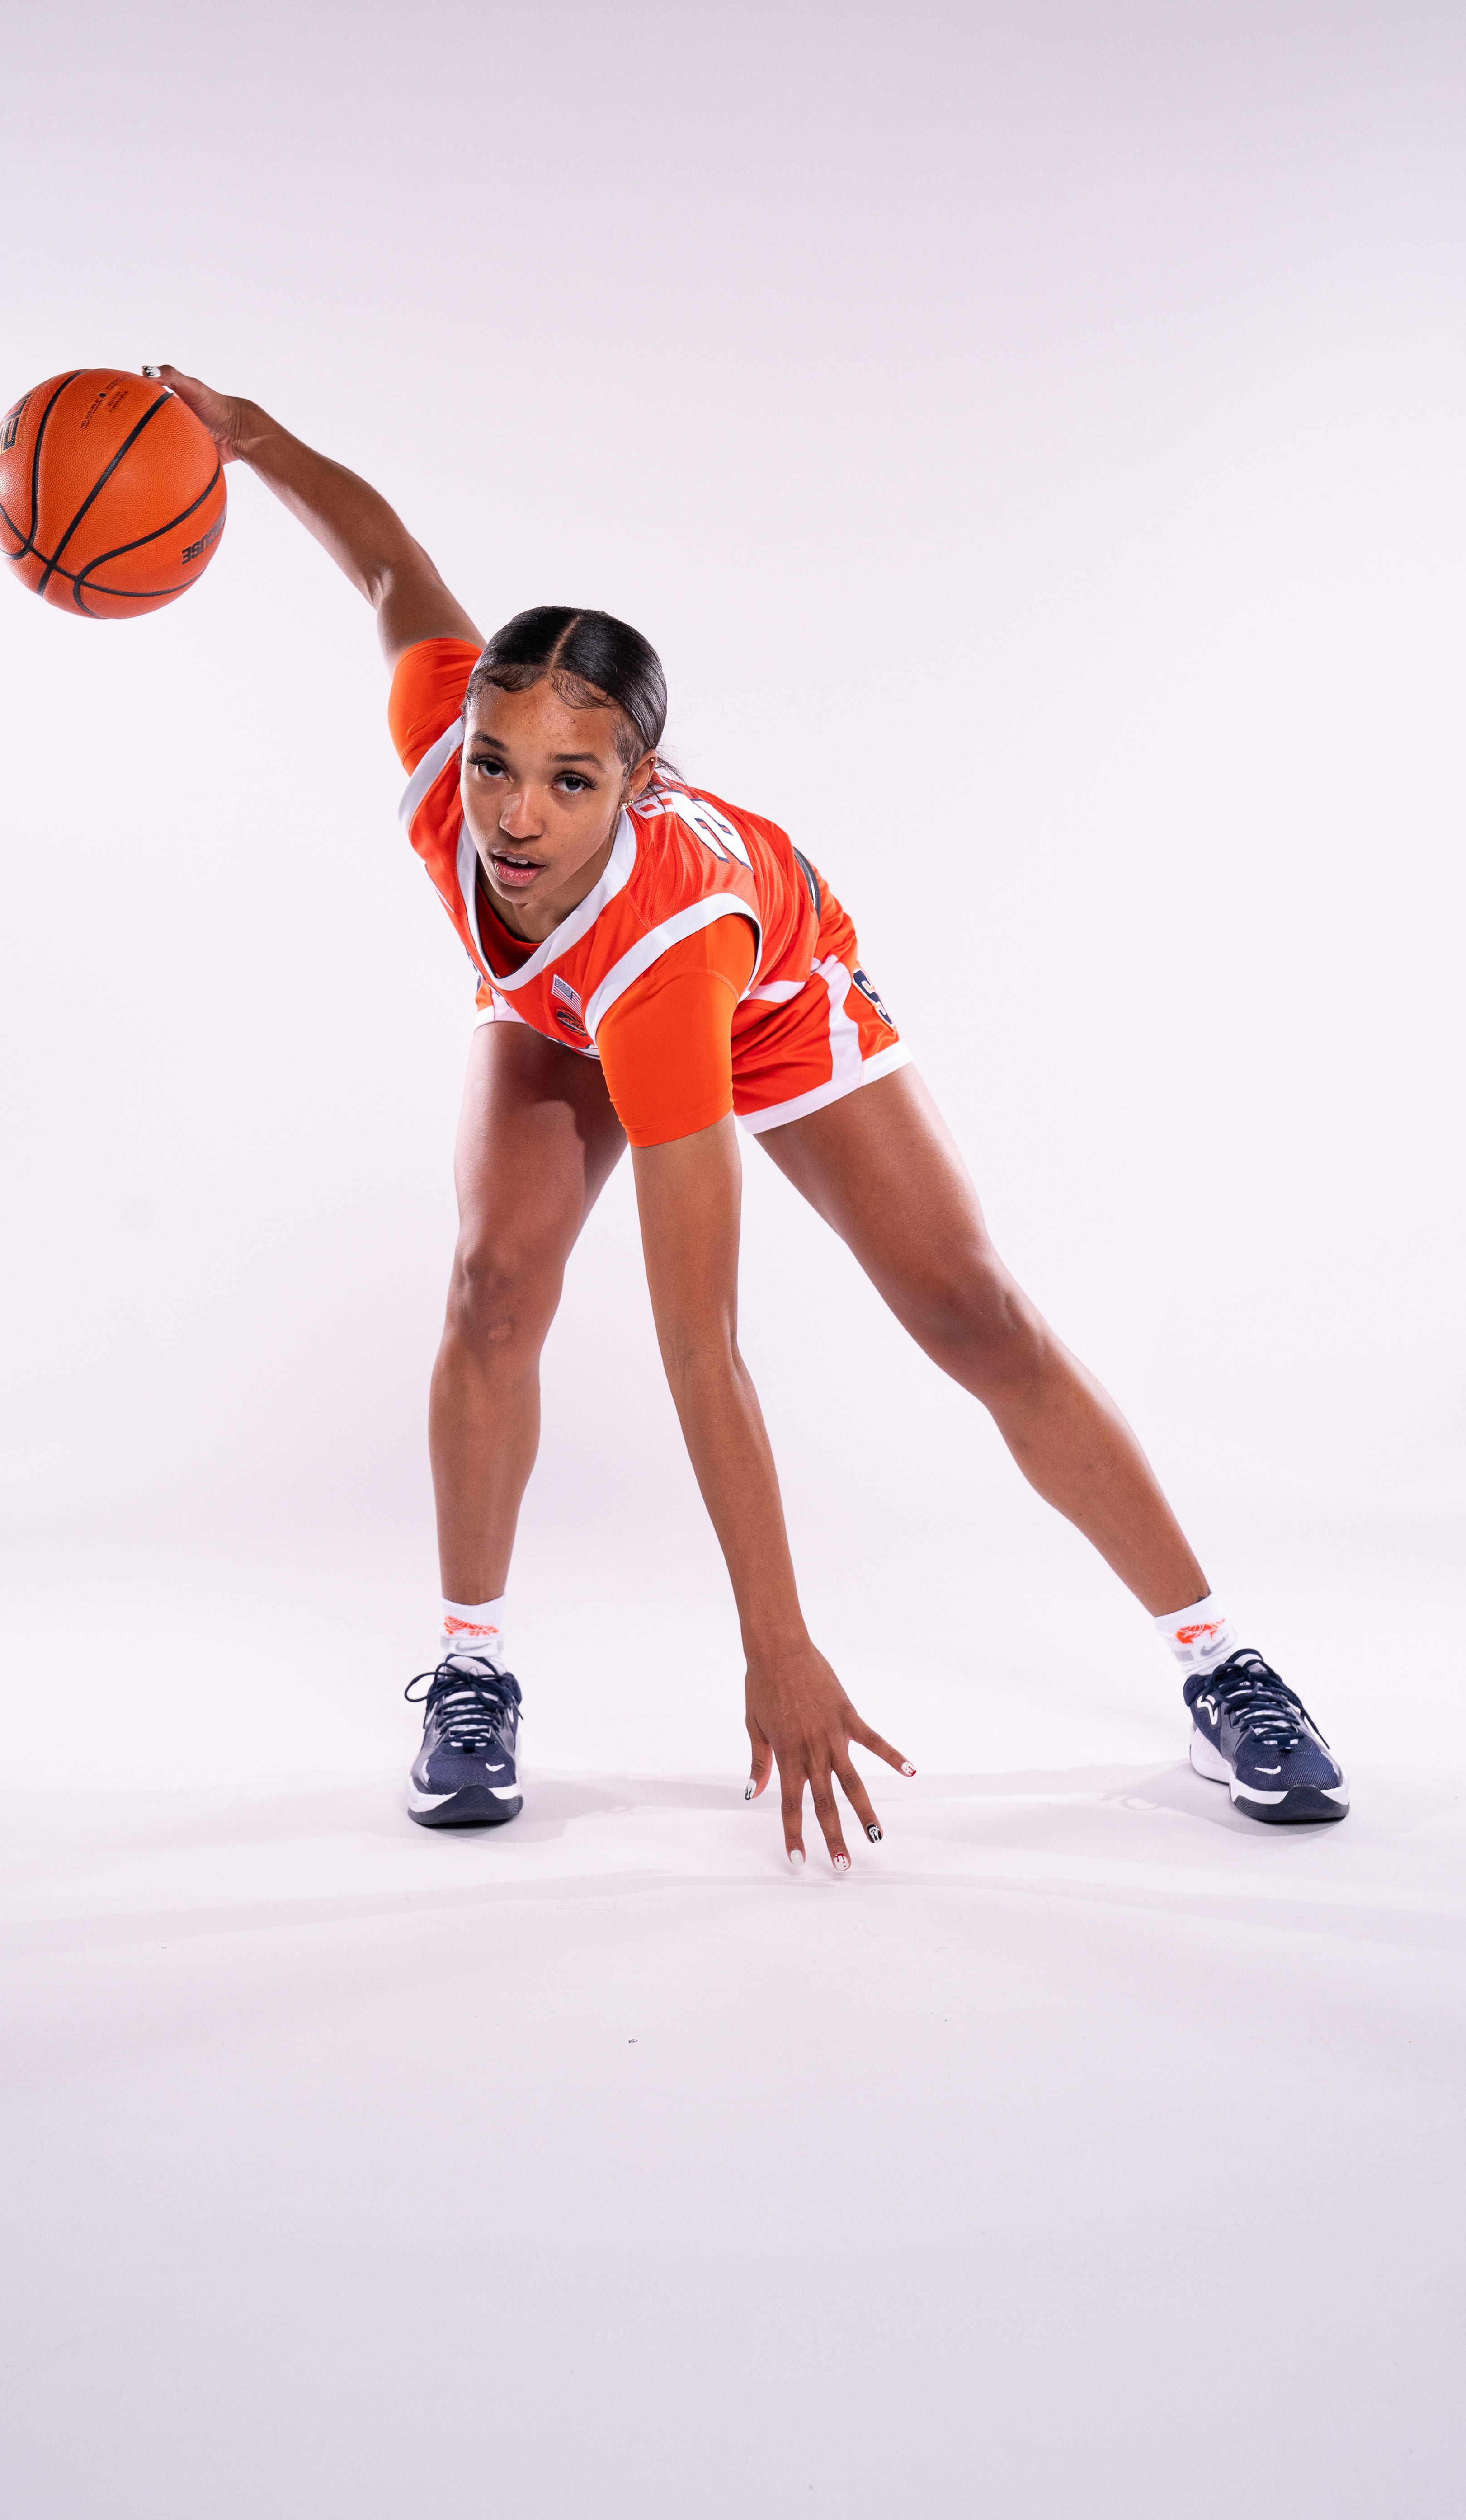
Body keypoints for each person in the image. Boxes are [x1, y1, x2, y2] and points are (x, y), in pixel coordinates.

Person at [146, 364, 1349, 1862]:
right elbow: (389, 563)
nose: (516, 815)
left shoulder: (678, 952)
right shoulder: (448, 757)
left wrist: (776, 1645)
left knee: (973, 1314)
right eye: (499, 764)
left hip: (757, 998)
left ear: (636, 783)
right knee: (493, 1286)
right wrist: (252, 439)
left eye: (570, 782)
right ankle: (470, 1671)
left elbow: (701, 1343)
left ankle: (1222, 1662)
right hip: (558, 999)